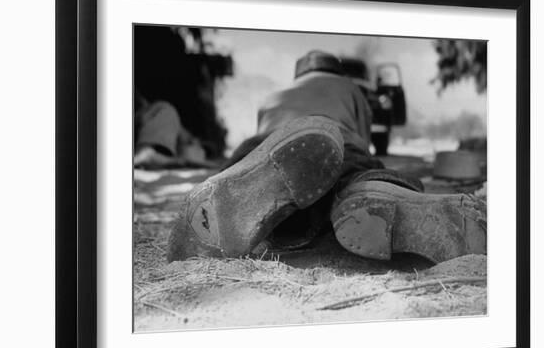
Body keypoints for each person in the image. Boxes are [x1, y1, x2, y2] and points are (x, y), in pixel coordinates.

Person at [167, 50, 486, 264]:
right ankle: (371, 189)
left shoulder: (273, 96)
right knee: (353, 167)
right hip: (334, 139)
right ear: (336, 71)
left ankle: (245, 203)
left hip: (265, 143)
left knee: (267, 180)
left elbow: (262, 137)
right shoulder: (350, 89)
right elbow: (363, 138)